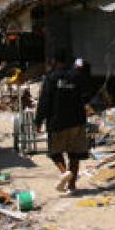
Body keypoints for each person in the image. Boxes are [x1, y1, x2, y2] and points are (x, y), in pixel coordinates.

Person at [35, 50, 91, 193]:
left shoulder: (51, 78)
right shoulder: (77, 76)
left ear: (54, 61)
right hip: (77, 121)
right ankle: (72, 186)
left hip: (57, 122)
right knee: (75, 154)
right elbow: (86, 94)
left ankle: (65, 172)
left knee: (55, 153)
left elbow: (44, 101)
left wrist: (39, 120)